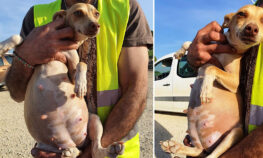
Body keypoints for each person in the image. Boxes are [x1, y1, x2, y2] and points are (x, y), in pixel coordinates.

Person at [5, 0, 153, 157]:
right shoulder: (35, 16)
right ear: (61, 17)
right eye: (78, 14)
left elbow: (137, 91)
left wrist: (90, 153)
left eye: (96, 16)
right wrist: (26, 56)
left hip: (113, 150)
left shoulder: (125, 7)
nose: (94, 22)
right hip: (56, 145)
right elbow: (16, 93)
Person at [185, 0, 263, 157]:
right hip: (223, 143)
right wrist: (194, 58)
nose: (252, 28)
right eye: (242, 16)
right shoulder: (257, 5)